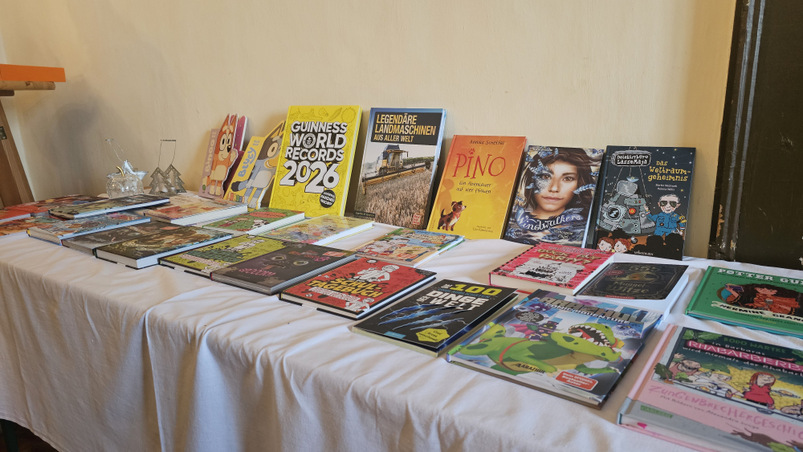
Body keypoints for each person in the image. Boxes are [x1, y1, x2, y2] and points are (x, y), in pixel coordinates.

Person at [506, 147, 600, 245]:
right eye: (545, 176)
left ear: (580, 184)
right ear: (532, 179)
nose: (554, 188)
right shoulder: (511, 219)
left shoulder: (580, 230)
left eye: (568, 178)